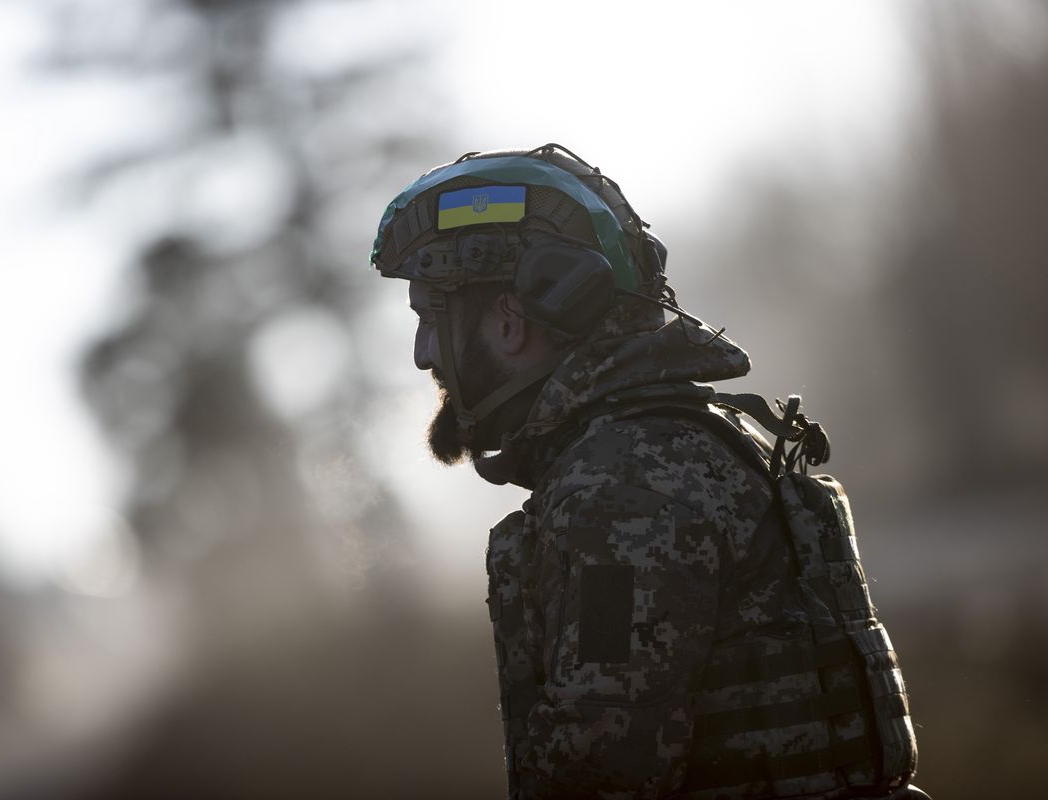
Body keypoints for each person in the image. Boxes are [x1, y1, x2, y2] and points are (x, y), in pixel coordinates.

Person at [371, 144, 925, 799]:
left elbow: (603, 775)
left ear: (510, 319)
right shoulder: (674, 442)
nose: (420, 354)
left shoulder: (625, 488)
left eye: (429, 319)